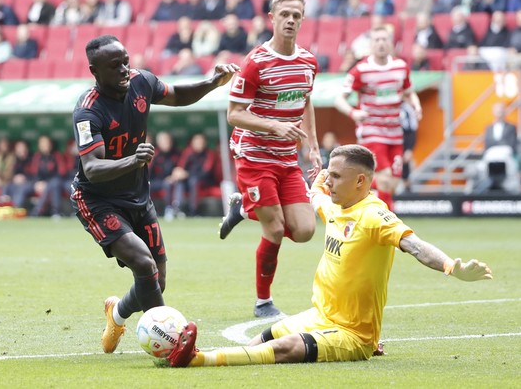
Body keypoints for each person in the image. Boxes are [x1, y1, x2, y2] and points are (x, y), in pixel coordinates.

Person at [164, 144, 493, 368]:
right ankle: (197, 354)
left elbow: (416, 246)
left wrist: (453, 267)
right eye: (331, 174)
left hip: (353, 333)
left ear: (361, 181)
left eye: (338, 176)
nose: (330, 181)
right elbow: (316, 192)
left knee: (286, 348)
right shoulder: (334, 205)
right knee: (261, 338)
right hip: (320, 314)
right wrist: (321, 176)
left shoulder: (374, 216)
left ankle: (197, 359)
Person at [69, 34, 239, 354]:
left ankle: (116, 313)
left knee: (156, 280)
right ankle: (172, 345)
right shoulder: (87, 110)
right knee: (144, 264)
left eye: (125, 61)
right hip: (97, 200)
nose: (124, 69)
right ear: (95, 71)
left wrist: (213, 82)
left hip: (138, 197)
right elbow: (91, 167)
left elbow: (177, 95)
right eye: (114, 65)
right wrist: (133, 160)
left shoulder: (141, 82)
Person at [218, 0, 322, 317]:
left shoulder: (308, 62)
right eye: (285, 14)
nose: (290, 20)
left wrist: (314, 146)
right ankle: (263, 302)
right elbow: (234, 113)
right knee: (275, 229)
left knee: (305, 231)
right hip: (253, 156)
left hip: (287, 159)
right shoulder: (256, 62)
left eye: (296, 15)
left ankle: (245, 209)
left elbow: (306, 101)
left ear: (302, 20)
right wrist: (274, 127)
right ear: (272, 19)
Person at [334, 26, 423, 210]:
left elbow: (409, 92)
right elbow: (339, 100)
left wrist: (416, 105)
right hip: (372, 131)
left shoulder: (400, 67)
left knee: (392, 182)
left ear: (391, 43)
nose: (381, 44)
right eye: (377, 40)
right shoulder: (361, 70)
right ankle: (386, 225)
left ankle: (362, 199)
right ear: (371, 45)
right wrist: (353, 113)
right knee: (384, 178)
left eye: (384, 40)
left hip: (395, 133)